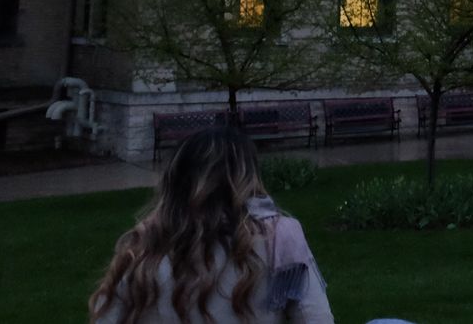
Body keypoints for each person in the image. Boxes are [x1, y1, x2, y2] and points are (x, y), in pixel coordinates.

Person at [89, 125, 335, 324]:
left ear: (176, 180)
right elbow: (316, 317)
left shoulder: (143, 245)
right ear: (248, 177)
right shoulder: (279, 239)